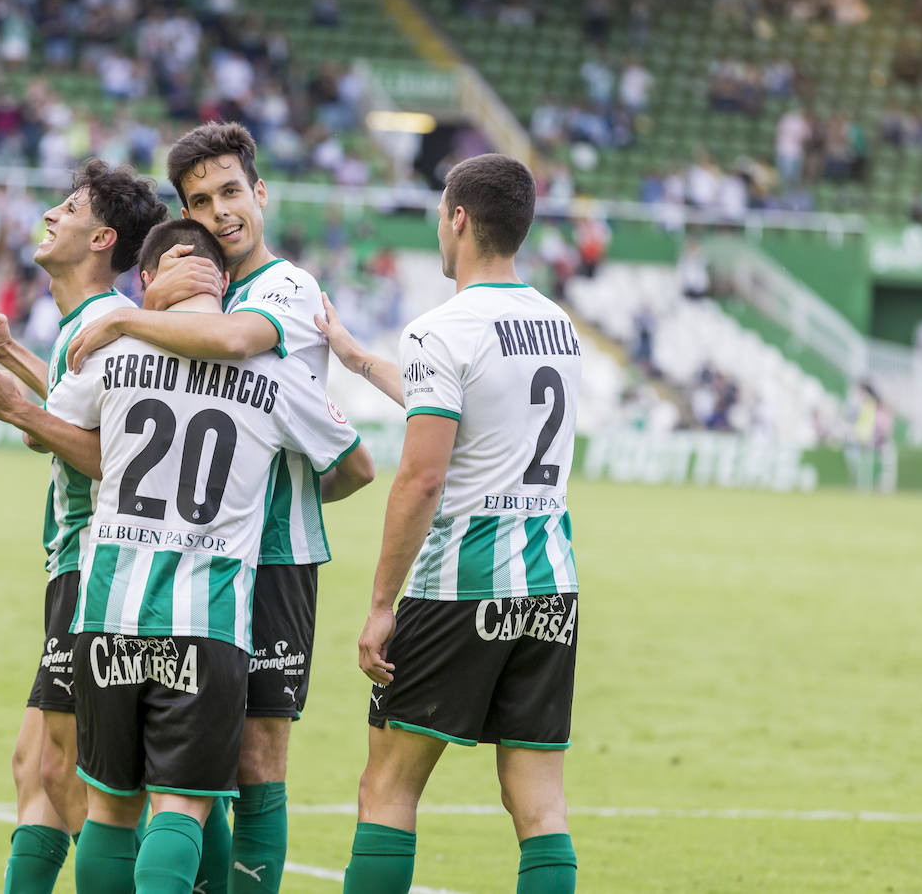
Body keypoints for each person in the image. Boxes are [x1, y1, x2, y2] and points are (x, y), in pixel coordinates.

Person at [48, 216, 374, 894]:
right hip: (209, 624)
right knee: (183, 806)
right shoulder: (274, 373)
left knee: (109, 811)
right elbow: (357, 467)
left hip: (107, 610)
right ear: (227, 285)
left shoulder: (110, 347)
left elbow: (52, 430)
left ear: (149, 278)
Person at [323, 155, 582, 893]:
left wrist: (380, 605)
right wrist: (359, 359)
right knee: (538, 802)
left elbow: (424, 474)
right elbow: (474, 405)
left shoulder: (443, 327)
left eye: (442, 211)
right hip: (550, 589)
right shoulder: (557, 325)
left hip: (459, 588)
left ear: (459, 218)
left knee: (389, 788)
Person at [0, 159, 170, 893]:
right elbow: (81, 412)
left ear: (102, 238)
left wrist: (21, 408)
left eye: (69, 207)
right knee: (35, 766)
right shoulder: (87, 327)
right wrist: (16, 357)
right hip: (75, 568)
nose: (51, 213)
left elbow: (110, 456)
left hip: (97, 570)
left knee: (73, 775)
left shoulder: (106, 329)